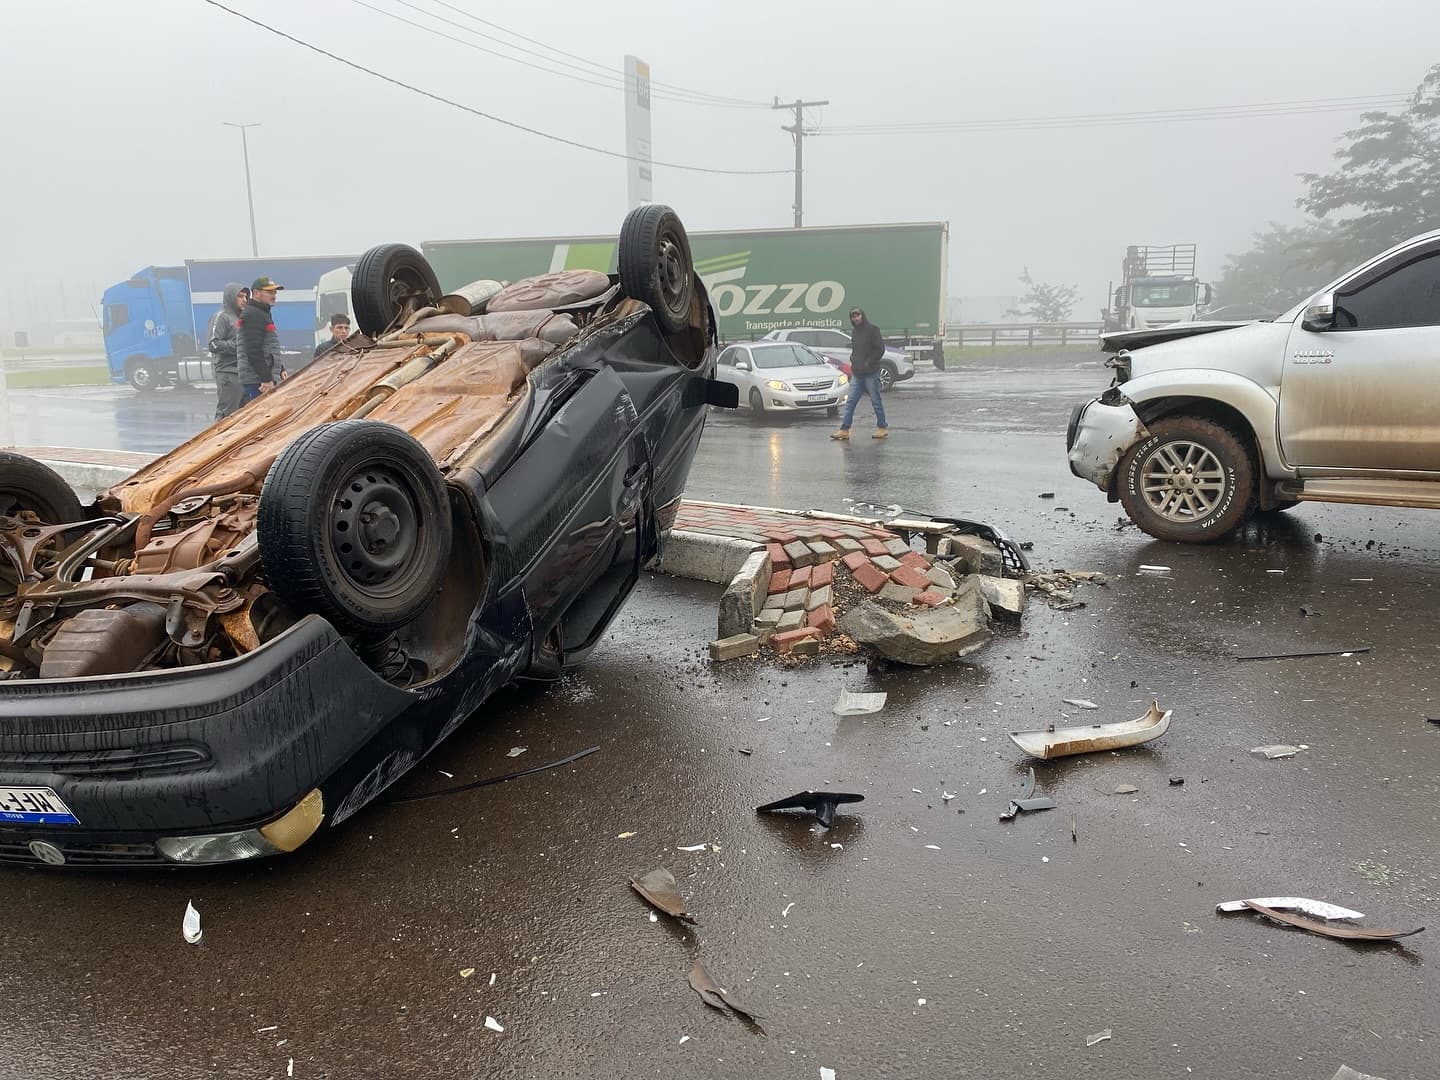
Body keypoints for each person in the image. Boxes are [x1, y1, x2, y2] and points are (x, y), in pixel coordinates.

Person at [831, 307, 888, 440]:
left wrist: (869, 362)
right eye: (853, 317)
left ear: (863, 316)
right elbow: (856, 350)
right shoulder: (855, 332)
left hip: (871, 373)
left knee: (876, 401)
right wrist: (854, 361)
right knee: (850, 402)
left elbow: (880, 349)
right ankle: (844, 429)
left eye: (858, 316)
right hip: (857, 374)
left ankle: (882, 427)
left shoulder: (873, 330)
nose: (856, 319)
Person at [237, 276, 287, 401]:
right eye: (269, 292)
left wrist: (279, 368)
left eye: (275, 292)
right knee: (262, 416)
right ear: (256, 293)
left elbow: (268, 346)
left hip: (261, 378)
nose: (274, 295)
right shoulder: (254, 314)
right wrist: (266, 378)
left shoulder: (262, 312)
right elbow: (254, 350)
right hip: (258, 381)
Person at [208, 283, 248, 420]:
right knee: (227, 416)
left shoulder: (243, 318)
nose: (245, 300)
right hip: (228, 374)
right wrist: (237, 345)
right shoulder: (222, 317)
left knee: (244, 417)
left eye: (246, 296)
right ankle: (217, 441)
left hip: (244, 374)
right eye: (240, 296)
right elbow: (213, 344)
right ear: (231, 297)